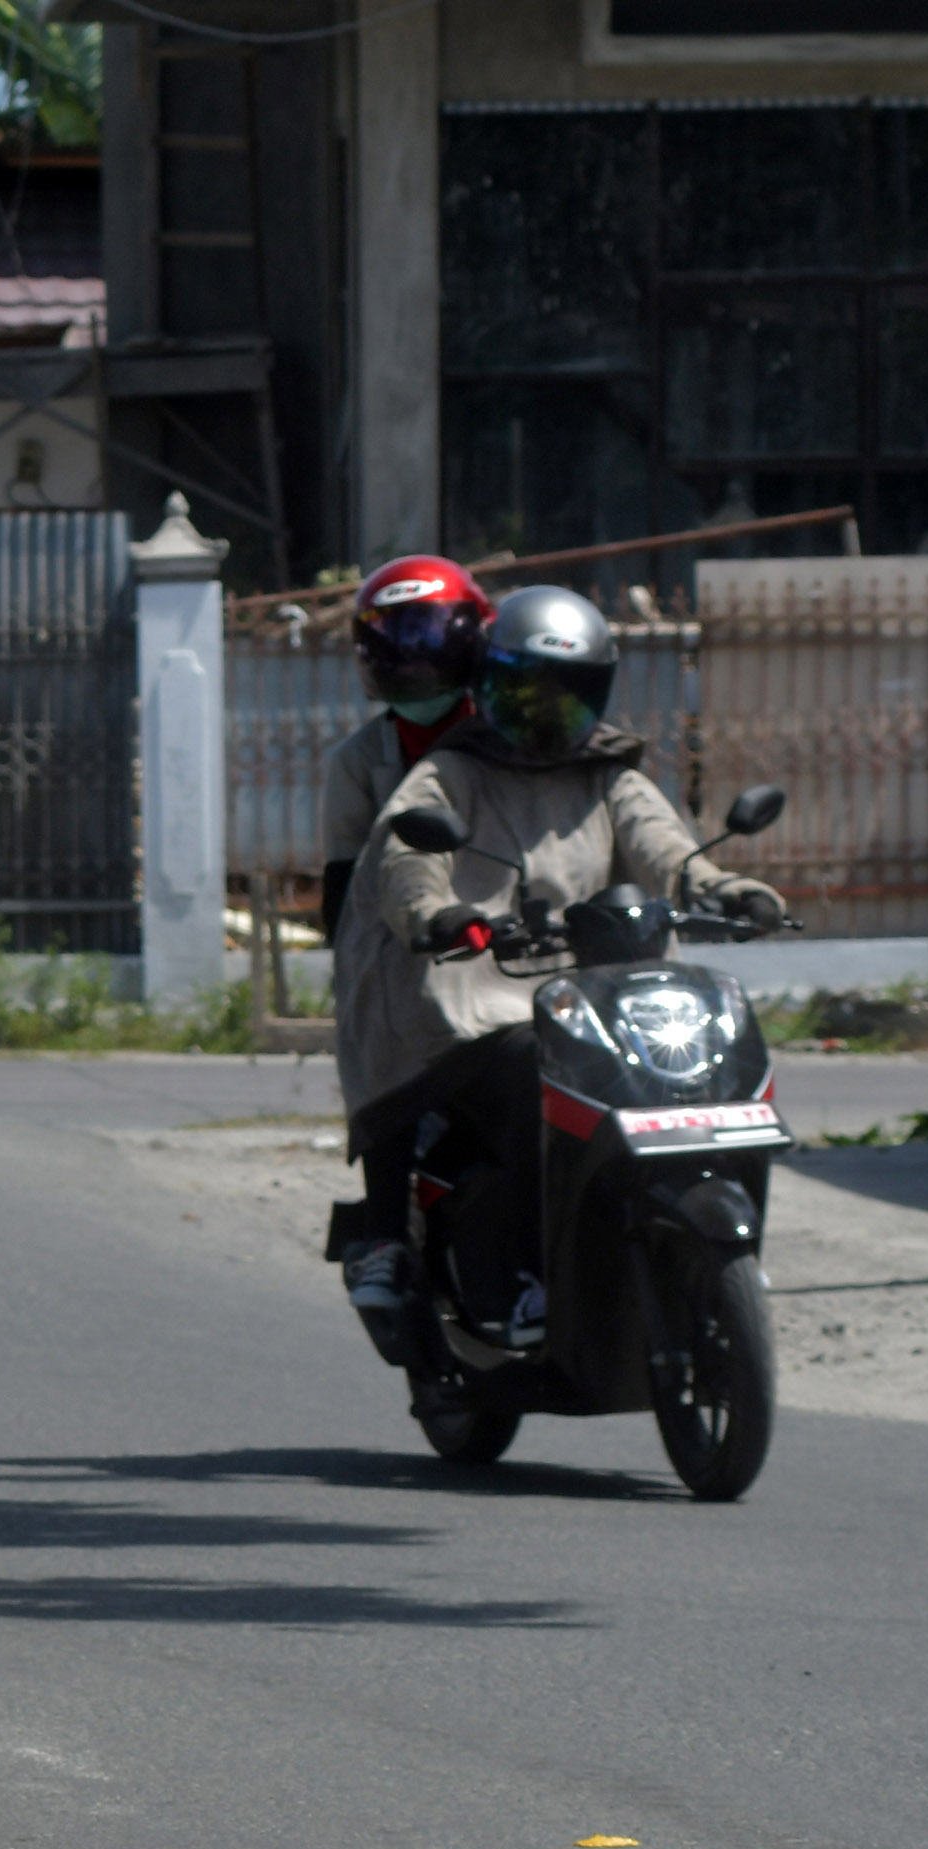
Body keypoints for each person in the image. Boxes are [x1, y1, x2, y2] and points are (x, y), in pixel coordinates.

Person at [337, 583, 785, 1345]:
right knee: (531, 1086)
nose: (547, 711)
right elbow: (407, 860)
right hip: (484, 999)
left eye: (567, 692)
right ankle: (522, 1281)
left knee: (701, 1076)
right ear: (491, 685)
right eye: (528, 690)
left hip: (598, 992)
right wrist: (437, 914)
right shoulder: (453, 773)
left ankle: (692, 1248)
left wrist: (725, 888)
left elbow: (667, 849)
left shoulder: (610, 774)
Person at [322, 557, 492, 1334]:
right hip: (407, 944)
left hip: (511, 937)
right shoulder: (359, 761)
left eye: (427, 636)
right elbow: (342, 893)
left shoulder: (504, 736)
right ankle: (387, 1235)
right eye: (394, 639)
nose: (412, 656)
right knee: (388, 1043)